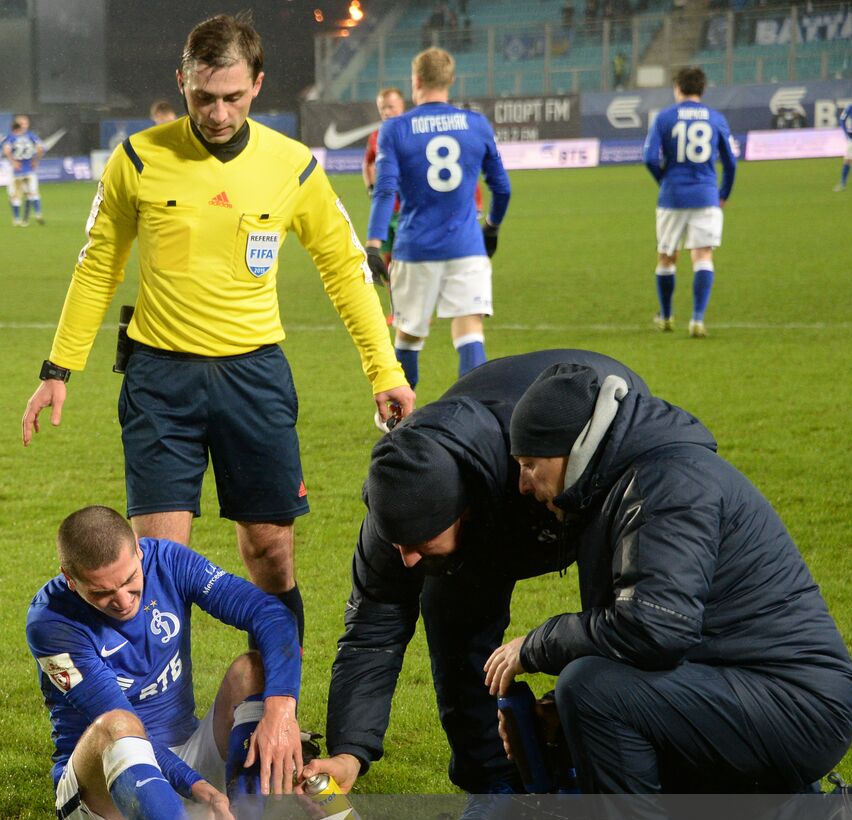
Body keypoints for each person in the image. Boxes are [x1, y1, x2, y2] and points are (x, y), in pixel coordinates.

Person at [21, 14, 414, 653]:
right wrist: (58, 369)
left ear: (257, 84)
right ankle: (164, 711)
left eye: (233, 96)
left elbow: (345, 269)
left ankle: (275, 701)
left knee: (271, 552)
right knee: (156, 563)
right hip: (160, 380)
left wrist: (385, 370)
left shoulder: (293, 166)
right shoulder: (137, 159)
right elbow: (98, 265)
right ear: (182, 82)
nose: (219, 113)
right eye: (204, 97)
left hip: (253, 377)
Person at [480, 362, 852, 820]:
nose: (523, 484)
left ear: (574, 449)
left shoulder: (668, 480)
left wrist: (537, 646)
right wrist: (560, 714)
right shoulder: (632, 475)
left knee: (589, 686)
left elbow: (653, 630)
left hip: (796, 704)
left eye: (529, 464)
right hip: (749, 690)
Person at [301, 351, 649, 815]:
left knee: (615, 621)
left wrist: (558, 696)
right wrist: (350, 752)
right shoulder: (404, 491)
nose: (406, 558)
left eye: (418, 542)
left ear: (461, 513)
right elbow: (372, 631)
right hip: (493, 501)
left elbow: (635, 624)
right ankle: (492, 786)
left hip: (592, 468)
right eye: (397, 543)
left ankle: (606, 777)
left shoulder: (541, 473)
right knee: (453, 618)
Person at [26, 506, 310, 820]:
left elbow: (269, 613)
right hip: (104, 808)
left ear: (138, 551)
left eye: (130, 581)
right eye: (102, 593)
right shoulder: (51, 622)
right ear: (70, 579)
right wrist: (198, 787)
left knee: (253, 670)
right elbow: (120, 723)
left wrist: (281, 709)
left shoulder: (168, 561)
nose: (123, 601)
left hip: (185, 758)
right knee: (118, 724)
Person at [364, 47, 511, 394]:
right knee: (470, 331)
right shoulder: (476, 124)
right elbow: (502, 188)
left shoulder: (395, 128)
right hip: (467, 246)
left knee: (409, 335)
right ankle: (471, 417)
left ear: (416, 81)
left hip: (415, 248)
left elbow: (384, 190)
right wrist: (492, 226)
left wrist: (373, 245)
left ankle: (397, 420)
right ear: (450, 80)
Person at [642, 67, 736, 339]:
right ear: (702, 89)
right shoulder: (715, 118)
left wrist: (665, 180)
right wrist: (723, 193)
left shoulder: (665, 117)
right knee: (703, 256)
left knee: (667, 256)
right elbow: (730, 162)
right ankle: (697, 319)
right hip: (706, 195)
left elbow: (649, 158)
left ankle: (666, 317)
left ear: (678, 88)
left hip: (672, 196)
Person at [362, 87, 407, 267]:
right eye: (382, 108)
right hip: (385, 211)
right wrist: (370, 186)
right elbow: (368, 163)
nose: (386, 112)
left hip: (407, 210)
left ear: (402, 105)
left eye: (390, 107)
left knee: (405, 259)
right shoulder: (376, 136)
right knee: (388, 261)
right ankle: (392, 286)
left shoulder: (412, 132)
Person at [2, 114, 45, 226]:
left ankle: (17, 219)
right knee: (32, 193)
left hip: (17, 172)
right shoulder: (31, 136)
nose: (24, 125)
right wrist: (36, 160)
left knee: (15, 196)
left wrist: (13, 161)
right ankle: (37, 213)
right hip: (29, 170)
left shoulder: (11, 137)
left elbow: (6, 149)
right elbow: (41, 148)